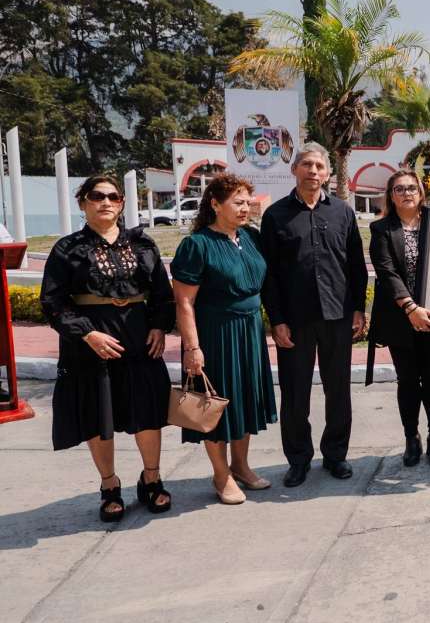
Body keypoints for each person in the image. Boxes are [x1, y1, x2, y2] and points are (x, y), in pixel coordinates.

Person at [41, 176, 174, 522]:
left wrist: (159, 325)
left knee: (147, 411)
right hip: (90, 346)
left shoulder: (143, 245)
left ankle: (152, 478)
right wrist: (87, 335)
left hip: (139, 339)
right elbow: (53, 302)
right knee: (98, 414)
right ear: (83, 202)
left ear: (121, 203)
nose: (106, 202)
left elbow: (162, 291)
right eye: (96, 196)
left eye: (113, 196)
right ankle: (109, 485)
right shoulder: (67, 249)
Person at [260, 142, 368, 487]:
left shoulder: (343, 213)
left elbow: (355, 266)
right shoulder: (275, 215)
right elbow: (269, 274)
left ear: (327, 173)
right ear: (294, 170)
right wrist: (276, 319)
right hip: (295, 320)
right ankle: (298, 459)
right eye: (307, 165)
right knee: (295, 393)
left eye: (319, 167)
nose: (313, 172)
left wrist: (358, 309)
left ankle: (336, 455)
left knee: (338, 390)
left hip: (338, 316)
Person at [172, 174, 277, 505]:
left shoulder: (250, 238)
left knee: (244, 399)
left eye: (248, 202)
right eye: (237, 202)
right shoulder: (197, 245)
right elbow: (184, 302)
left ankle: (241, 465)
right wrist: (192, 348)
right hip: (216, 335)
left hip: (249, 331)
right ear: (215, 204)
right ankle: (221, 475)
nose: (245, 208)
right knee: (215, 406)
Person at [368, 168, 430, 467]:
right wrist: (410, 308)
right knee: (407, 380)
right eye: (399, 189)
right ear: (391, 196)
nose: (406, 193)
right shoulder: (381, 230)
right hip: (400, 318)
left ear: (421, 192)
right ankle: (411, 438)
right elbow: (387, 272)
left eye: (411, 188)